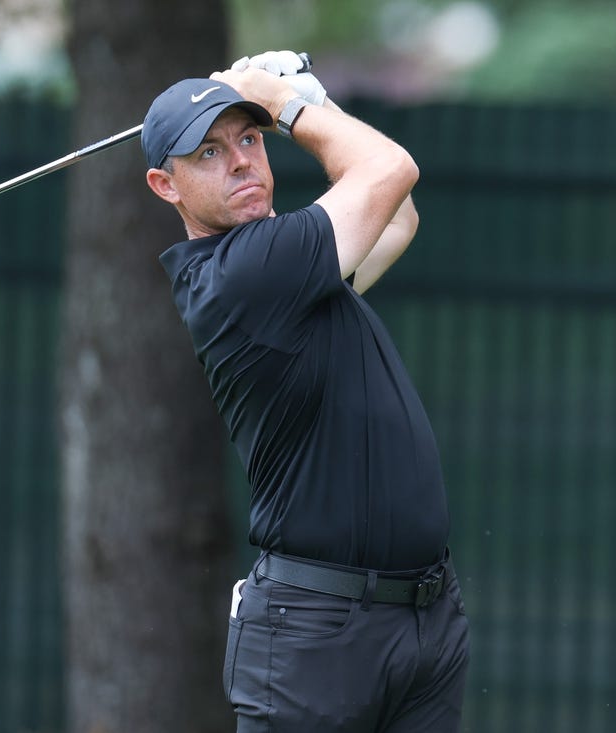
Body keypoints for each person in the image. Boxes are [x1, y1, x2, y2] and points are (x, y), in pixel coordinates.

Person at [141, 51, 469, 733]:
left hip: (421, 620)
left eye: (250, 138)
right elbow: (390, 170)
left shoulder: (289, 267)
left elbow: (398, 214)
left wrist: (309, 96)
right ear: (164, 186)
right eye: (207, 152)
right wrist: (286, 105)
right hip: (318, 633)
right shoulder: (244, 275)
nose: (240, 161)